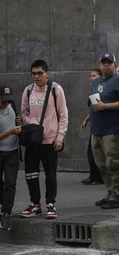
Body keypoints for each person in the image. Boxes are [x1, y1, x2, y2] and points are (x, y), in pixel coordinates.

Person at [20, 60, 68, 219]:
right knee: (31, 174)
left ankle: (50, 205)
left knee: (50, 174)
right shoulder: (28, 91)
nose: (36, 76)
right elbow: (24, 113)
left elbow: (63, 115)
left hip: (51, 141)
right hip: (33, 141)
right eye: (33, 73)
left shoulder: (55, 89)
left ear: (47, 73)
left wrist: (60, 137)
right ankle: (35, 205)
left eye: (40, 73)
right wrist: (32, 125)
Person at [91, 53, 119, 210]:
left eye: (109, 63)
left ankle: (117, 196)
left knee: (113, 164)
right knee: (101, 164)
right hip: (97, 129)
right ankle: (110, 193)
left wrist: (105, 107)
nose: (106, 65)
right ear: (99, 65)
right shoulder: (97, 81)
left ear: (114, 65)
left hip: (112, 130)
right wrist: (88, 118)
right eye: (103, 63)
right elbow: (95, 102)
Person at [0, 86, 21, 230]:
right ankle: (5, 204)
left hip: (13, 152)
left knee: (10, 183)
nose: (7, 104)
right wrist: (9, 132)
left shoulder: (12, 104)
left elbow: (16, 119)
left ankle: (6, 212)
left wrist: (18, 120)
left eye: (9, 101)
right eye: (3, 101)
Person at [80, 69, 104, 185]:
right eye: (90, 76)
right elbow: (93, 110)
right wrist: (85, 120)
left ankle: (97, 176)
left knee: (94, 152)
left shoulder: (101, 91)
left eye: (94, 76)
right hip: (94, 125)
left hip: (101, 126)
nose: (91, 78)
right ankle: (94, 175)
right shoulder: (93, 90)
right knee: (92, 151)